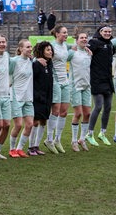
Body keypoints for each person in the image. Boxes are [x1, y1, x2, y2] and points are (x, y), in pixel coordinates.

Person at [85, 25, 114, 147]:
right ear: (100, 32)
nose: (107, 33)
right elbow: (85, 50)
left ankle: (102, 133)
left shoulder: (111, 44)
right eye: (105, 31)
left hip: (108, 80)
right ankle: (89, 134)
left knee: (108, 107)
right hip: (96, 79)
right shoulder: (94, 42)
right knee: (98, 106)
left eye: (109, 31)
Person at [43, 25, 71, 154]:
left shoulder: (65, 46)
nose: (66, 35)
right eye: (64, 33)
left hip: (65, 81)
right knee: (55, 111)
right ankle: (48, 139)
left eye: (66, 33)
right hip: (55, 81)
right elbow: (41, 54)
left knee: (64, 112)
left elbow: (72, 50)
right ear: (57, 34)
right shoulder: (51, 46)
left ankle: (57, 139)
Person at [8, 39, 34, 158]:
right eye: (27, 47)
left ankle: (20, 149)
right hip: (16, 97)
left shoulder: (31, 60)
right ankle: (12, 149)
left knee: (29, 124)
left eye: (31, 47)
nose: (30, 49)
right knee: (18, 125)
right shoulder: (14, 61)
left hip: (28, 97)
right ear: (21, 49)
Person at [68, 32, 92, 152]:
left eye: (85, 38)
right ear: (76, 40)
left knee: (87, 114)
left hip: (87, 86)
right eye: (81, 38)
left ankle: (82, 139)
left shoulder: (88, 53)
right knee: (77, 114)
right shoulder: (72, 52)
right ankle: (73, 140)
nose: (84, 39)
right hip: (75, 86)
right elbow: (62, 57)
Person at [29, 41, 53, 155]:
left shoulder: (49, 63)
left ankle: (37, 146)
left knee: (43, 121)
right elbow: (32, 81)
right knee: (35, 121)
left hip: (47, 97)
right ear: (42, 51)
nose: (50, 52)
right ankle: (30, 147)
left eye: (51, 49)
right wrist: (37, 96)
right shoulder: (36, 64)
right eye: (48, 50)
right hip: (38, 97)